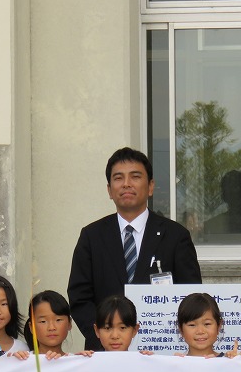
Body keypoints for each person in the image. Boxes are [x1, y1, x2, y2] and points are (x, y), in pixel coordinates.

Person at [68, 147, 202, 351]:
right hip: (105, 352)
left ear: (150, 186)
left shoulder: (176, 236)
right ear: (109, 190)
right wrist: (105, 336)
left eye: (135, 176)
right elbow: (79, 297)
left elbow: (191, 296)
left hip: (160, 350)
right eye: (118, 178)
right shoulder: (91, 236)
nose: (126, 184)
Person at [23, 291, 73, 356]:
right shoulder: (23, 361)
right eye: (43, 321)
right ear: (31, 327)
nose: (51, 328)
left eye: (58, 320)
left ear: (69, 323)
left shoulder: (77, 362)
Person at [176, 293, 223, 357]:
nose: (200, 331)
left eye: (207, 324)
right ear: (181, 329)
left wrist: (236, 362)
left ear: (219, 326)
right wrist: (175, 365)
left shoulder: (229, 362)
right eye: (192, 325)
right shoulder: (175, 363)